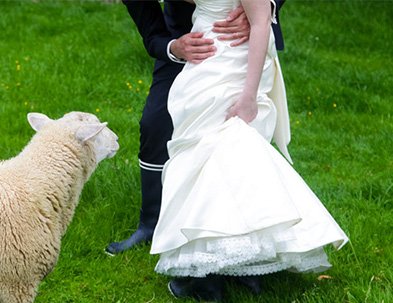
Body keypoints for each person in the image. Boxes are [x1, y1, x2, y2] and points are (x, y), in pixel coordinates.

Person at [149, 0, 349, 302]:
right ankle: (239, 268)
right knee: (216, 161)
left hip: (234, 64)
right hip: (206, 59)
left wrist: (249, 96)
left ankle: (213, 277)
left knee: (226, 155)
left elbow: (260, 22)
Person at [106, 0, 285, 255]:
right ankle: (152, 224)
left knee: (234, 130)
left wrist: (266, 7)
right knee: (155, 123)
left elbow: (261, 16)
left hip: (240, 43)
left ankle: (248, 234)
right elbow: (153, 35)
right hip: (185, 38)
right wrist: (174, 47)